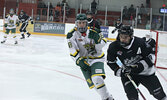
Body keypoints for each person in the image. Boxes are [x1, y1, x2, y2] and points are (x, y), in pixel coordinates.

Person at [107, 25, 167, 100]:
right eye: (121, 36)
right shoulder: (113, 46)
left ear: (131, 36)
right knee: (132, 97)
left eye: (125, 37)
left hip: (146, 73)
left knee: (160, 95)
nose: (122, 39)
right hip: (129, 74)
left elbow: (151, 57)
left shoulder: (140, 43)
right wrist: (120, 71)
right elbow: (110, 62)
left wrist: (140, 66)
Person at [67, 13, 114, 100]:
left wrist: (98, 42)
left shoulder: (94, 31)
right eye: (79, 23)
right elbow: (73, 51)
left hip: (97, 58)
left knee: (97, 78)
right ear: (76, 23)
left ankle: (106, 98)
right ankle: (108, 97)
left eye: (83, 23)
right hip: (84, 60)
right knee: (93, 83)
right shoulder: (71, 35)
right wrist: (79, 61)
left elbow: (103, 42)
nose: (81, 25)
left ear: (86, 23)